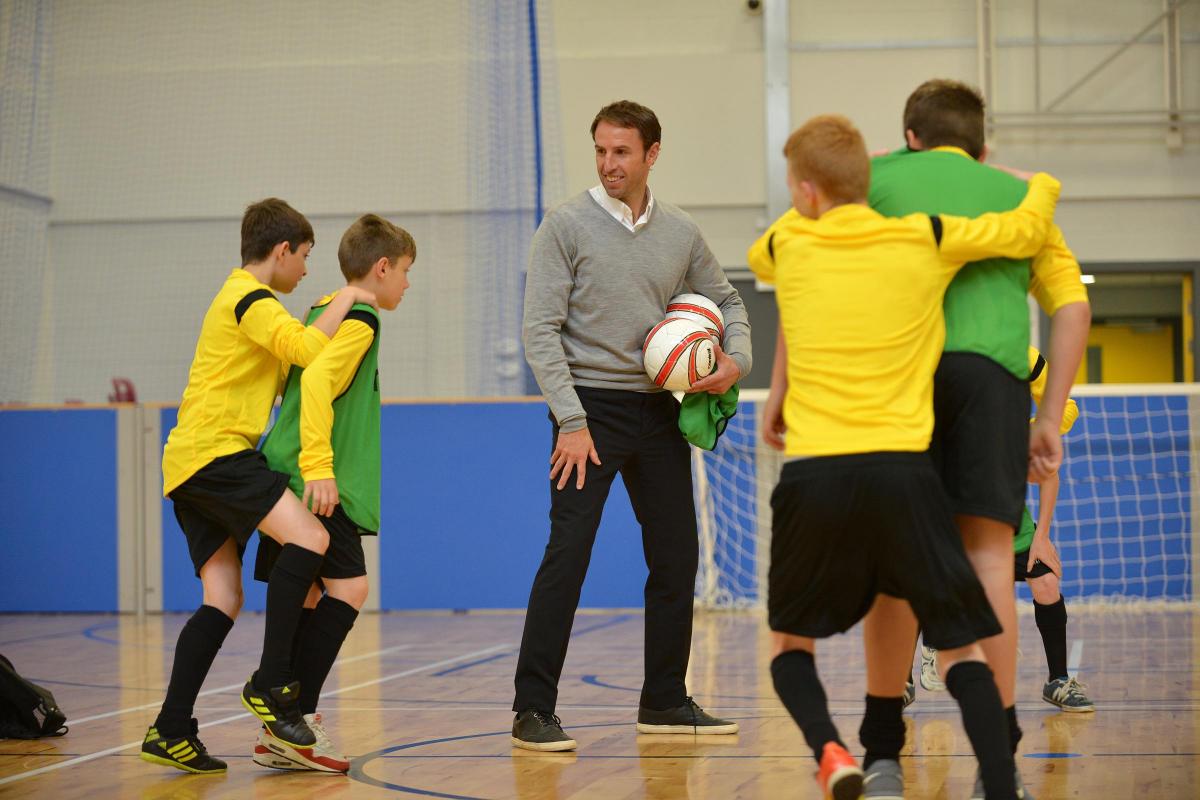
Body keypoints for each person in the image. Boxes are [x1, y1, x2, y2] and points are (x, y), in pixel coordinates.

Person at [752, 114, 1061, 800]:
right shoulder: (925, 238)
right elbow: (1023, 230)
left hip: (813, 475)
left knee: (788, 649)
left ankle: (832, 750)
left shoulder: (790, 243)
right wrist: (1038, 184)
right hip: (903, 473)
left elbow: (760, 256)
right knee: (958, 649)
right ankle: (1002, 782)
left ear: (805, 192)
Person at [867, 78, 1091, 796]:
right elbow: (1072, 306)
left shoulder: (874, 179)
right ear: (981, 145)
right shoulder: (1016, 193)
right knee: (995, 560)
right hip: (992, 379)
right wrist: (1048, 416)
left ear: (911, 138)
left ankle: (880, 754)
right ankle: (999, 764)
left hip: (901, 373)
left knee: (895, 565)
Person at [513, 99, 751, 752]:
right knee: (569, 555)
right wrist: (569, 419)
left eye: (622, 151)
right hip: (589, 412)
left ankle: (665, 703)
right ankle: (532, 710)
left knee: (677, 558)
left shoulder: (680, 232)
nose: (609, 163)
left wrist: (736, 361)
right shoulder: (564, 226)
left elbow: (727, 298)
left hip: (659, 414)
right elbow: (539, 331)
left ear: (652, 154)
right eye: (599, 150)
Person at [141, 198, 376, 774]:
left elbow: (290, 354)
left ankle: (170, 728)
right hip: (217, 453)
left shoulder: (244, 302)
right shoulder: (250, 298)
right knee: (311, 539)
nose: (305, 270)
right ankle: (273, 685)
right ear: (281, 251)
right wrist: (348, 296)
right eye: (304, 257)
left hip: (189, 461)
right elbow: (305, 347)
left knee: (223, 598)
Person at [250, 214, 416, 772]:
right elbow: (319, 383)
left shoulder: (326, 306)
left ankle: (286, 727)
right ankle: (295, 715)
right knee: (350, 588)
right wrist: (320, 467)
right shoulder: (362, 317)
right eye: (407, 271)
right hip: (317, 481)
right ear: (383, 266)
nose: (408, 285)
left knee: (311, 597)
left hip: (286, 469)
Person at [921, 347, 1096, 714]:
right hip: (961, 534)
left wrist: (1042, 535)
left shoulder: (1017, 433)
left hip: (1014, 531)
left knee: (1047, 582)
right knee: (921, 582)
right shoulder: (943, 438)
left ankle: (1059, 681)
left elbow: (1049, 477)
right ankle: (919, 664)